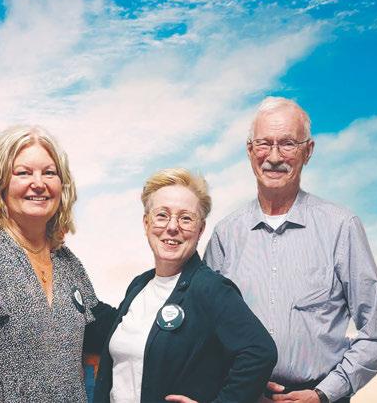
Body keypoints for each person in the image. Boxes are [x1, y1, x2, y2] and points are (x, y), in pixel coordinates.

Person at [204, 97, 377, 403]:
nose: (274, 156)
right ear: (250, 150)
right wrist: (240, 386)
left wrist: (323, 393)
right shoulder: (225, 235)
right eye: (264, 143)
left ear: (308, 151)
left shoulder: (341, 227)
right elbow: (205, 332)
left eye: (288, 144)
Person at [0, 125, 114, 403]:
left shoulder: (68, 263)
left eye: (49, 173)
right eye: (23, 173)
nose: (38, 183)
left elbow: (93, 338)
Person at [94, 168, 277, 403]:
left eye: (186, 218)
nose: (172, 227)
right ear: (146, 223)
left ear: (200, 230)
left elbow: (260, 352)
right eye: (162, 215)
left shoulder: (211, 289)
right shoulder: (139, 286)